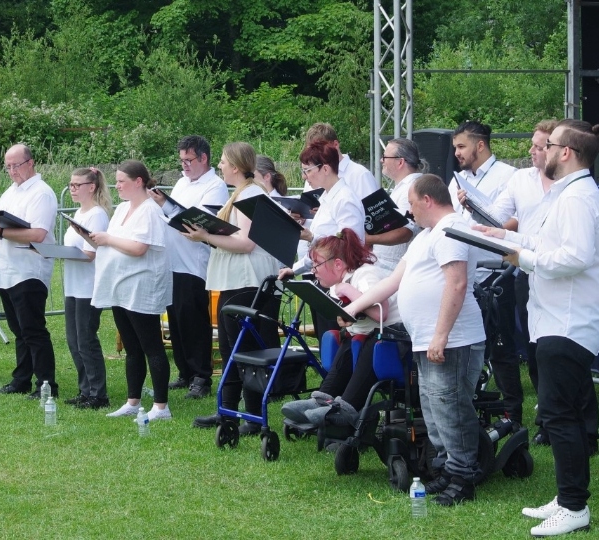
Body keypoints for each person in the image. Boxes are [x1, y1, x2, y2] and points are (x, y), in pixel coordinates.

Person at [477, 119, 599, 537]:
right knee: (557, 412)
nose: (541, 152)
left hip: (567, 322)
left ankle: (574, 506)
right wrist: (501, 236)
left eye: (547, 145)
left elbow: (577, 255)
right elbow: (549, 244)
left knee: (560, 416)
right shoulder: (568, 194)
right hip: (553, 319)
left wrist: (521, 259)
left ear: (565, 152)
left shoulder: (579, 197)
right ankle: (566, 498)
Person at [343, 174, 485, 506]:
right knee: (434, 410)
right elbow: (393, 281)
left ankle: (463, 478)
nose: (408, 212)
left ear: (427, 200)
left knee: (451, 408)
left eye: (410, 203)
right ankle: (447, 471)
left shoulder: (452, 229)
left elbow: (457, 283)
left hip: (452, 339)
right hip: (426, 338)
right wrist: (353, 308)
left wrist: (441, 335)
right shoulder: (425, 236)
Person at [181, 142, 281, 434]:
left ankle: (251, 416)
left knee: (243, 349)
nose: (221, 166)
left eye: (224, 162)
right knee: (229, 348)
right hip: (234, 280)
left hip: (246, 281)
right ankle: (227, 411)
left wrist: (205, 236)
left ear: (236, 166)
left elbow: (246, 243)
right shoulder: (240, 193)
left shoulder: (250, 194)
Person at [280, 228, 402, 428]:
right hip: (369, 338)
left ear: (337, 264)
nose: (313, 271)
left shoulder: (365, 275)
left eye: (316, 264)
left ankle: (347, 408)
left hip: (393, 340)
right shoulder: (342, 282)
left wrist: (347, 291)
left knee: (367, 343)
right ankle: (323, 398)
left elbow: (381, 314)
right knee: (347, 339)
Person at [449, 120, 522, 429]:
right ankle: (473, 403)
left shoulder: (509, 176)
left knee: (502, 344)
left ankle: (512, 412)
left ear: (480, 145)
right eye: (454, 148)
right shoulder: (458, 180)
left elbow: (517, 221)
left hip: (497, 270)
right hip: (466, 269)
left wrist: (483, 222)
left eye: (461, 146)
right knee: (471, 342)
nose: (456, 153)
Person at [90, 160, 172, 421]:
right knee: (132, 347)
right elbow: (116, 241)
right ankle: (132, 401)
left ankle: (161, 406)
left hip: (142, 285)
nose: (117, 185)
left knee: (151, 345)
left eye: (122, 181)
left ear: (138, 182)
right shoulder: (123, 208)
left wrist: (107, 239)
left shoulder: (150, 210)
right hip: (120, 284)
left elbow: (139, 247)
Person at [149, 135, 229, 399]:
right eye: (181, 160)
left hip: (194, 262)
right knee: (176, 319)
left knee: (193, 320)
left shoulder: (215, 185)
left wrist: (166, 205)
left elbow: (199, 221)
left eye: (188, 160)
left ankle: (201, 376)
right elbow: (173, 214)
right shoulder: (183, 182)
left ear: (203, 158)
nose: (184, 165)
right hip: (173, 260)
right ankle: (184, 371)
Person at [0, 144, 59, 399]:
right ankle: (21, 379)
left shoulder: (41, 193)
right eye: (8, 166)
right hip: (6, 269)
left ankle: (46, 384)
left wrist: (1, 231)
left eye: (17, 165)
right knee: (18, 329)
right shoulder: (9, 193)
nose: (12, 171)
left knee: (33, 329)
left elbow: (38, 233)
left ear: (31, 163)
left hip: (28, 269)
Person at [61, 167, 111, 409]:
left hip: (88, 287)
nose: (72, 189)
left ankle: (98, 394)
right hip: (73, 285)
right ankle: (85, 389)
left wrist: (61, 254)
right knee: (73, 340)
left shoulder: (96, 215)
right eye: (71, 185)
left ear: (91, 187)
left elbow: (91, 253)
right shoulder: (79, 212)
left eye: (77, 185)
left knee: (86, 340)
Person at [292, 140, 366, 274]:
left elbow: (349, 247)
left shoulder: (345, 200)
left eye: (307, 170)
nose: (304, 176)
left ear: (325, 169)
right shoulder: (328, 197)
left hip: (342, 279)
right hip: (329, 276)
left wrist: (311, 238)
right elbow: (322, 249)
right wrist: (295, 270)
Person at [365, 138, 423, 271]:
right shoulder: (404, 187)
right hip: (386, 266)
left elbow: (405, 232)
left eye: (384, 157)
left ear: (400, 162)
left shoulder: (412, 188)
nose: (381, 161)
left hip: (393, 270)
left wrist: (369, 239)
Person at [302, 122, 380, 199]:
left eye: (319, 149)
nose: (314, 154)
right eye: (311, 150)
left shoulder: (360, 175)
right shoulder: (312, 174)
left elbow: (374, 210)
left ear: (335, 145)